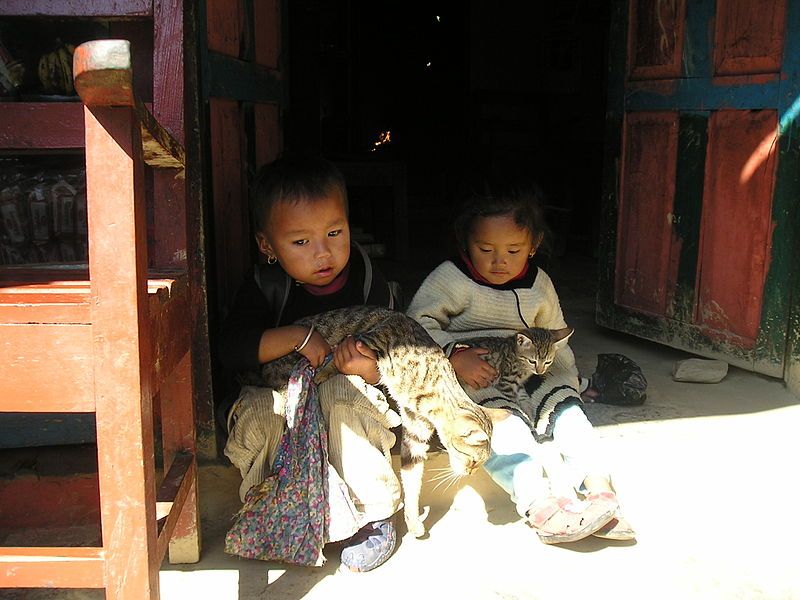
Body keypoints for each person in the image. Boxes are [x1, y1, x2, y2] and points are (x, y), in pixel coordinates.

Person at [406, 175, 635, 543]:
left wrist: (569, 381)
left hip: (531, 369)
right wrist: (454, 355)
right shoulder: (450, 278)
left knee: (568, 413)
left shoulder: (539, 284)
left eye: (513, 251)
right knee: (502, 427)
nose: (499, 262)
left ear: (534, 245)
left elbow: (557, 334)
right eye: (485, 250)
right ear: (466, 244)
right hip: (477, 374)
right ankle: (539, 503)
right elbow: (417, 323)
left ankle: (599, 490)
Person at [218, 156, 403, 572]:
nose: (324, 252)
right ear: (267, 245)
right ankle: (277, 510)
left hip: (339, 391)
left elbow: (397, 355)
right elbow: (231, 349)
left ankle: (375, 515)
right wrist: (298, 337)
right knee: (260, 413)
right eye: (301, 242)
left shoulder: (367, 280)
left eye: (335, 233)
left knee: (348, 395)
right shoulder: (264, 285)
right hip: (278, 397)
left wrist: (370, 371)